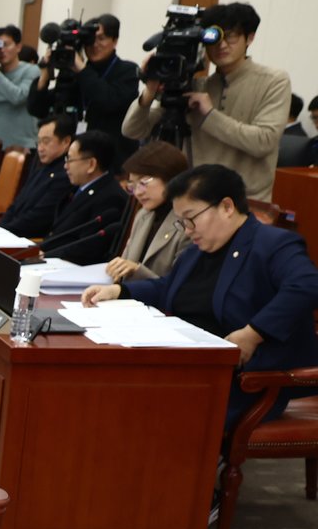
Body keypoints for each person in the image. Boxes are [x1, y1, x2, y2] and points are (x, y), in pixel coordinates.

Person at [83, 164, 318, 429]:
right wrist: (120, 291)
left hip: (243, 381)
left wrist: (252, 334)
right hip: (188, 367)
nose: (187, 229)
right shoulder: (197, 251)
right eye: (182, 221)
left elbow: (307, 286)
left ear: (227, 207)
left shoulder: (273, 243)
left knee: (138, 410)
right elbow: (167, 287)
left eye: (191, 218)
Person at [122, 2, 290, 201]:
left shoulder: (273, 81)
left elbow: (264, 142)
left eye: (231, 36)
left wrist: (210, 115)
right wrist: (149, 92)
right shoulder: (196, 86)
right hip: (195, 199)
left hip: (245, 202)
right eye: (214, 37)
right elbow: (132, 131)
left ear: (250, 37)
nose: (222, 45)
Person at [27, 13, 140, 167]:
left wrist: (81, 68)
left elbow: (109, 100)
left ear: (115, 41)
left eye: (101, 38)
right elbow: (37, 109)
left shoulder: (127, 70)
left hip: (110, 158)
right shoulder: (76, 72)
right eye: (90, 40)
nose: (95, 45)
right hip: (75, 161)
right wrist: (44, 76)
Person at [103, 142, 191, 282]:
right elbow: (124, 266)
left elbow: (179, 286)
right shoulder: (143, 215)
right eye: (132, 185)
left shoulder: (189, 224)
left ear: (171, 177)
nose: (138, 192)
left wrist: (137, 271)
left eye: (144, 182)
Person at [41, 130, 129, 265]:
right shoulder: (78, 187)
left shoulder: (111, 198)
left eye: (70, 160)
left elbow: (87, 249)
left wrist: (45, 255)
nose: (65, 166)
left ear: (91, 164)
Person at [0, 115, 77, 238]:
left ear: (66, 142)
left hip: (28, 239)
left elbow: (38, 218)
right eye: (39, 142)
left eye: (46, 142)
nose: (40, 148)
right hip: (11, 233)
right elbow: (16, 205)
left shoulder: (65, 175)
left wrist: (4, 232)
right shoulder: (42, 168)